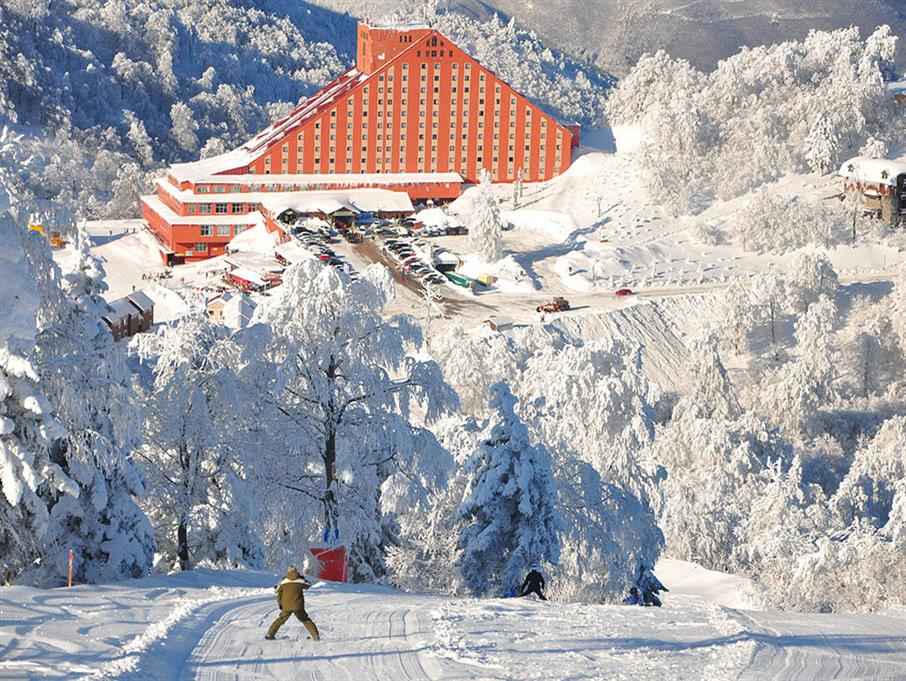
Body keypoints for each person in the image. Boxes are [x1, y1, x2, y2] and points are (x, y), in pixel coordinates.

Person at [265, 566, 320, 641]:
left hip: (286, 606)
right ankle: (315, 636)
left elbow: (277, 591)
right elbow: (309, 585)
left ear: (288, 572)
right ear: (296, 572)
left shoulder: (283, 581)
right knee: (305, 620)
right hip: (298, 606)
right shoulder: (300, 581)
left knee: (280, 619)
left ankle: (270, 634)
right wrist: (302, 579)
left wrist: (280, 604)